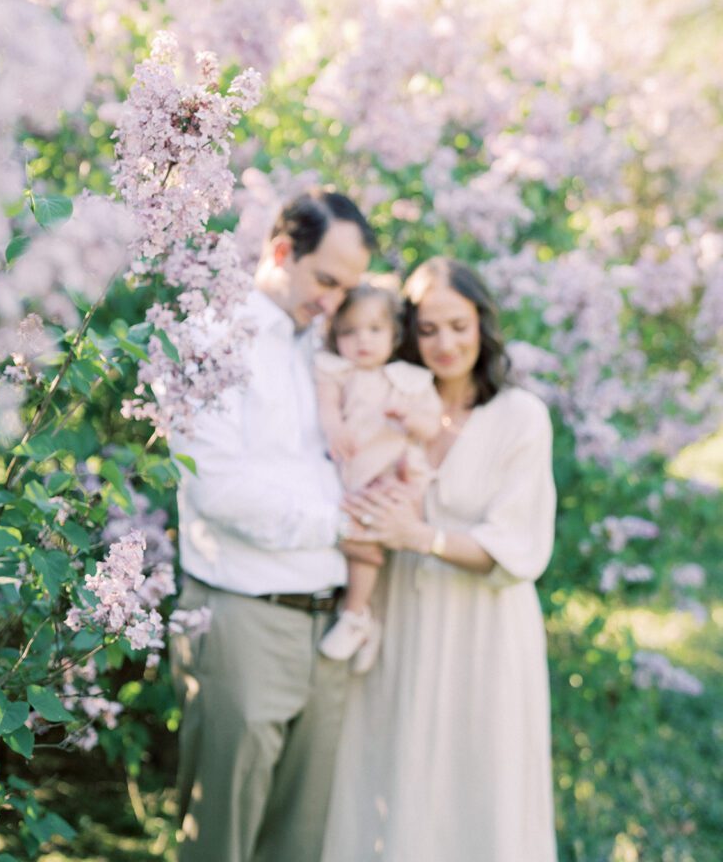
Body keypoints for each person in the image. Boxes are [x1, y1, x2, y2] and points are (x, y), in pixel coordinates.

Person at [322, 256, 558, 862]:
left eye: (458, 325)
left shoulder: (520, 417)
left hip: (483, 628)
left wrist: (419, 535)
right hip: (399, 615)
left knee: (479, 784)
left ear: (483, 323)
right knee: (386, 770)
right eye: (427, 330)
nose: (445, 343)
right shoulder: (389, 399)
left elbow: (519, 548)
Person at [168, 189, 374, 862]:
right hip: (243, 620)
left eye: (347, 288)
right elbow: (218, 487)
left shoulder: (318, 350)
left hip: (326, 628)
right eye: (326, 281)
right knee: (221, 841)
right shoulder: (211, 334)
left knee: (299, 844)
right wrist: (342, 525)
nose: (335, 302)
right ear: (282, 252)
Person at [315, 283, 441, 671]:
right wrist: (335, 429)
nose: (362, 341)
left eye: (374, 330)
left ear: (394, 335)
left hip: (390, 472)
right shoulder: (336, 371)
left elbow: (432, 426)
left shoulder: (407, 380)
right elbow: (328, 410)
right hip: (350, 471)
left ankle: (355, 616)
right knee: (346, 538)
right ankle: (364, 622)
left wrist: (409, 418)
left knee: (365, 537)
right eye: (349, 332)